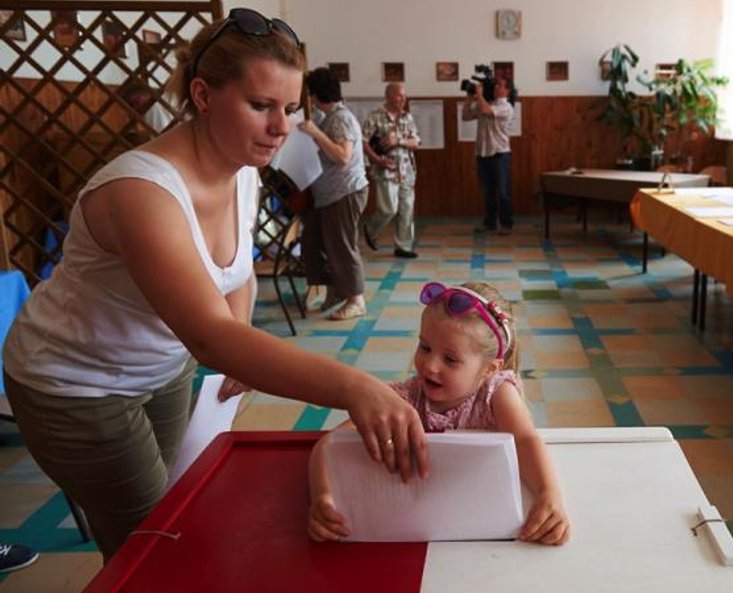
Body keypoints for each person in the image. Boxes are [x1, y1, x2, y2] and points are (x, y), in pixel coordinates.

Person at [1, 9, 427, 561]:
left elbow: (237, 273)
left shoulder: (242, 169)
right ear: (203, 95)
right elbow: (207, 335)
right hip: (76, 384)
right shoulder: (144, 192)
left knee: (177, 506)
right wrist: (352, 386)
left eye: (292, 109)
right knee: (153, 542)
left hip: (161, 368)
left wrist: (241, 332)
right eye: (260, 106)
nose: (282, 127)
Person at [308, 281, 570, 546]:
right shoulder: (405, 398)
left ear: (490, 368)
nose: (429, 366)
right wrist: (323, 497)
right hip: (427, 524)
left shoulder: (497, 392)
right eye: (425, 347)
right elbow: (330, 445)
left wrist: (549, 495)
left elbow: (525, 441)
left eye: (450, 359)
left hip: (485, 526)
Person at [297, 68, 371, 320]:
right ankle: (338, 290)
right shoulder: (327, 116)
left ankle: (356, 299)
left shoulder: (340, 118)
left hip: (345, 191)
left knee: (342, 246)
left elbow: (343, 156)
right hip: (329, 194)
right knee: (314, 242)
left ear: (316, 94)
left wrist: (315, 133)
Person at [361, 82, 421, 259]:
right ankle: (371, 230)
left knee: (407, 209)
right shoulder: (375, 117)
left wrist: (399, 142)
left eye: (404, 95)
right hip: (386, 170)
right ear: (388, 96)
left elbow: (416, 142)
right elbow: (363, 142)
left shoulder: (407, 118)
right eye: (399, 95)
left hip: (407, 171)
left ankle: (403, 246)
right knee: (388, 209)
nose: (403, 98)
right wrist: (377, 159)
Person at [461, 75, 515, 235]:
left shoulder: (506, 107)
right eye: (496, 84)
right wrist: (469, 98)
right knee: (488, 192)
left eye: (500, 85)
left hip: (500, 153)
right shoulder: (487, 103)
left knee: (503, 192)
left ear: (507, 90)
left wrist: (479, 95)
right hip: (483, 153)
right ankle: (489, 223)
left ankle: (506, 224)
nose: (496, 87)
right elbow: (465, 116)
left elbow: (485, 110)